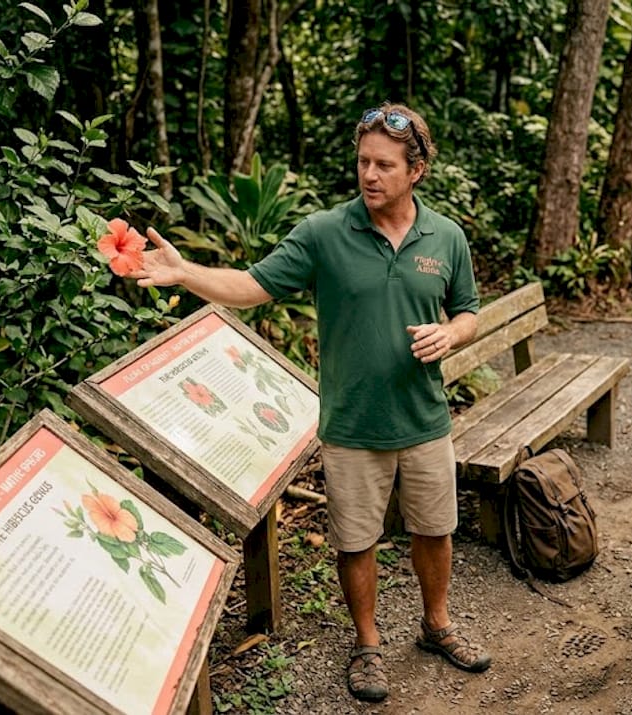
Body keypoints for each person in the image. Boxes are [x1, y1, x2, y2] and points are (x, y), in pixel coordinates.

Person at [129, 103, 489, 703]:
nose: (369, 175)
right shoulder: (324, 232)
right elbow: (251, 287)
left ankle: (437, 624)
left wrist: (452, 332)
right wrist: (185, 272)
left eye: (384, 165)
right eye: (363, 162)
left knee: (436, 530)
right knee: (356, 541)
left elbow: (469, 310)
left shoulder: (446, 237)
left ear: (416, 170)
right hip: (351, 425)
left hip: (425, 420)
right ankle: (368, 645)